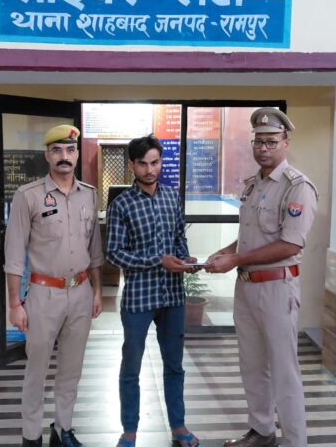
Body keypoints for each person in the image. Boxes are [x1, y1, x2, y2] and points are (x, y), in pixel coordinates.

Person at [204, 108, 318, 447]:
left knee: (284, 370)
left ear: (285, 143)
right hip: (247, 288)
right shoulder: (253, 185)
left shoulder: (297, 187)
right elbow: (251, 237)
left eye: (271, 141)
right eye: (258, 141)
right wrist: (227, 252)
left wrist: (236, 259)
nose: (263, 148)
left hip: (277, 288)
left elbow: (289, 244)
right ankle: (262, 431)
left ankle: (295, 441)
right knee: (252, 366)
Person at [4, 125, 103, 447]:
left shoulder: (89, 194)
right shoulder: (28, 196)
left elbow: (94, 250)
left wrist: (97, 292)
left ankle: (63, 429)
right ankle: (31, 436)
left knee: (72, 368)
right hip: (43, 295)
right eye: (57, 150)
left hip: (81, 292)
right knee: (37, 369)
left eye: (70, 150)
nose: (64, 156)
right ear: (47, 155)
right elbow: (13, 254)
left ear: (77, 154)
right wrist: (14, 304)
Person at [106, 134, 201, 447]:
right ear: (132, 165)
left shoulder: (172, 197)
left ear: (161, 162)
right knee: (131, 366)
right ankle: (129, 432)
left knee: (174, 365)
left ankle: (179, 427)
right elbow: (114, 254)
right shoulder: (121, 205)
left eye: (155, 162)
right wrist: (157, 261)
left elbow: (178, 238)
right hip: (138, 298)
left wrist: (185, 259)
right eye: (143, 164)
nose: (150, 170)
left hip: (172, 296)